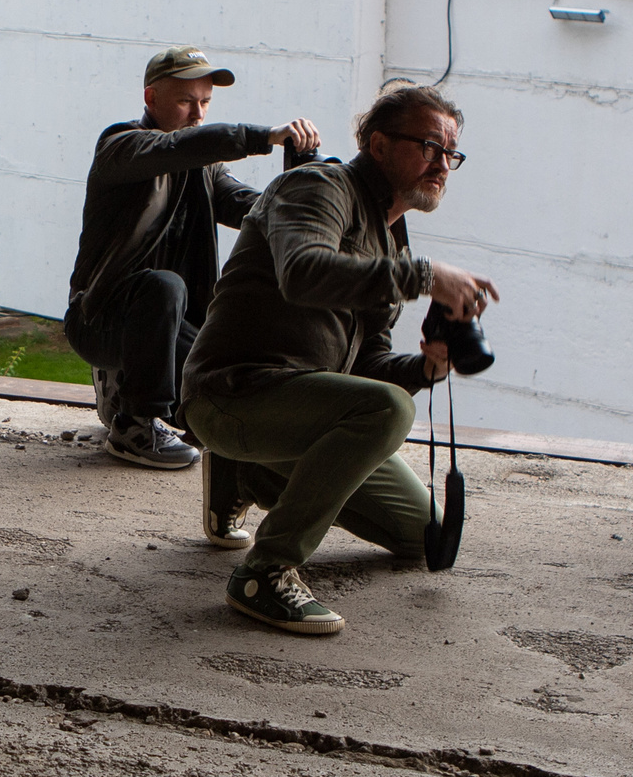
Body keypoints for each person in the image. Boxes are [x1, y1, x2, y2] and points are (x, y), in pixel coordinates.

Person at [178, 83, 498, 634]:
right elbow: (303, 272)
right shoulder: (316, 187)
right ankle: (265, 571)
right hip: (231, 392)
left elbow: (367, 361)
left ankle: (243, 476)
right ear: (378, 146)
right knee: (388, 411)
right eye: (428, 147)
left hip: (300, 404)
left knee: (418, 534)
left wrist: (424, 368)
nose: (442, 164)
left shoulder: (390, 241)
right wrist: (425, 277)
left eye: (450, 154)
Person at [64, 45, 320, 470]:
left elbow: (250, 207)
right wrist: (262, 137)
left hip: (174, 323)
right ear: (151, 98)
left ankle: (136, 391)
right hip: (99, 320)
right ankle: (134, 422)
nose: (198, 114)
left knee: (233, 373)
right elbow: (180, 146)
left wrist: (308, 197)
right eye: (186, 101)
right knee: (164, 284)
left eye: (205, 102)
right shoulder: (120, 146)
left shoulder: (206, 168)